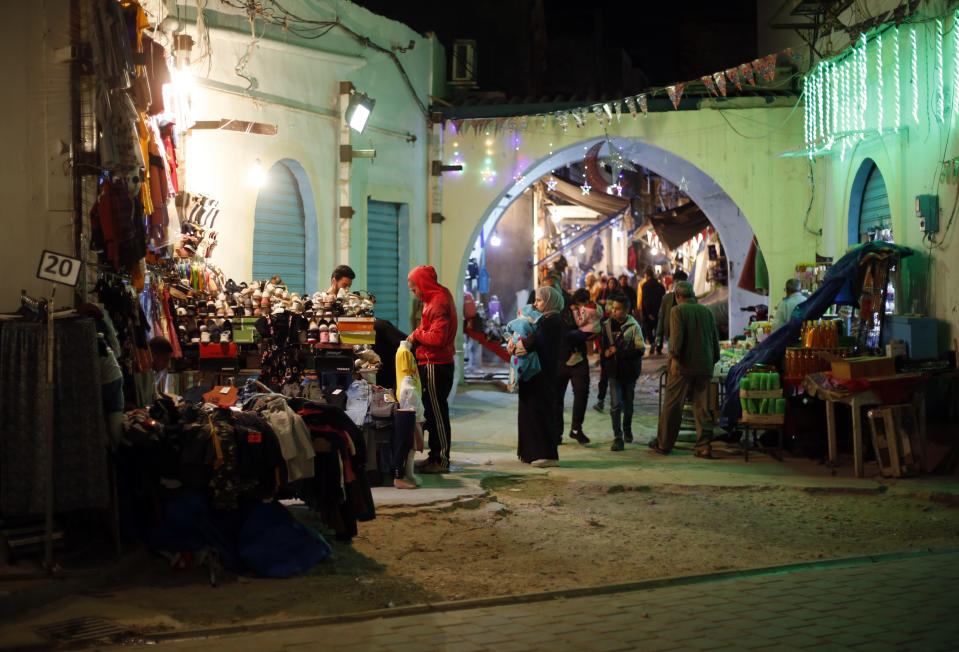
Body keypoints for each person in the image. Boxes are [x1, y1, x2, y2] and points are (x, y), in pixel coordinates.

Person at [650, 281, 720, 457]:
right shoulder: (707, 311)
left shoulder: (677, 311)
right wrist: (714, 359)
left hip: (683, 366)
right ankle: (704, 446)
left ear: (677, 296)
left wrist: (673, 358)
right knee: (702, 407)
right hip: (704, 365)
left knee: (672, 405)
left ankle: (664, 443)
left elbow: (676, 337)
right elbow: (714, 338)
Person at [406, 266, 457, 474]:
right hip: (432, 363)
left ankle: (442, 459)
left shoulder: (437, 303)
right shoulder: (437, 297)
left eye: (414, 288)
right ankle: (434, 457)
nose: (414, 293)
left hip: (436, 365)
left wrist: (417, 334)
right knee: (433, 415)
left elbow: (437, 338)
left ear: (422, 284)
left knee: (438, 414)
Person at [511, 286, 563, 467]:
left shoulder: (552, 322)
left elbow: (534, 342)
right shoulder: (544, 320)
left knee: (540, 412)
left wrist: (517, 347)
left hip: (542, 374)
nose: (535, 303)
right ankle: (532, 452)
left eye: (539, 300)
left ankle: (547, 454)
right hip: (534, 374)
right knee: (531, 412)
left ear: (549, 302)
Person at [600, 294, 645, 451]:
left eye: (618, 309)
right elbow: (604, 350)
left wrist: (617, 352)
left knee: (628, 404)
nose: (614, 311)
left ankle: (627, 428)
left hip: (629, 371)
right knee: (615, 405)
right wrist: (604, 367)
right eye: (613, 308)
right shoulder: (606, 326)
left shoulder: (634, 327)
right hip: (613, 372)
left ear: (627, 310)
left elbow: (640, 349)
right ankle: (617, 436)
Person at [556, 289, 592, 445]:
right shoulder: (561, 311)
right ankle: (556, 432)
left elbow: (592, 328)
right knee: (557, 397)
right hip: (560, 358)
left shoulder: (586, 312)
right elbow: (565, 334)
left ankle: (576, 429)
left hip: (578, 358)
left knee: (582, 392)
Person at [654, 269, 688, 355]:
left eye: (682, 282)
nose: (680, 285)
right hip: (670, 334)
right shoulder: (667, 298)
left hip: (687, 334)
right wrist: (658, 337)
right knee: (673, 358)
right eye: (678, 282)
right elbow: (661, 317)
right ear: (674, 282)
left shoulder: (691, 298)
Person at [639, 268, 666, 348]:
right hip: (659, 311)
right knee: (659, 329)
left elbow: (645, 300)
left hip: (649, 312)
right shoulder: (660, 285)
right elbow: (663, 299)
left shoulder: (645, 285)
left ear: (646, 275)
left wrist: (648, 313)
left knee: (648, 329)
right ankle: (659, 346)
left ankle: (652, 342)